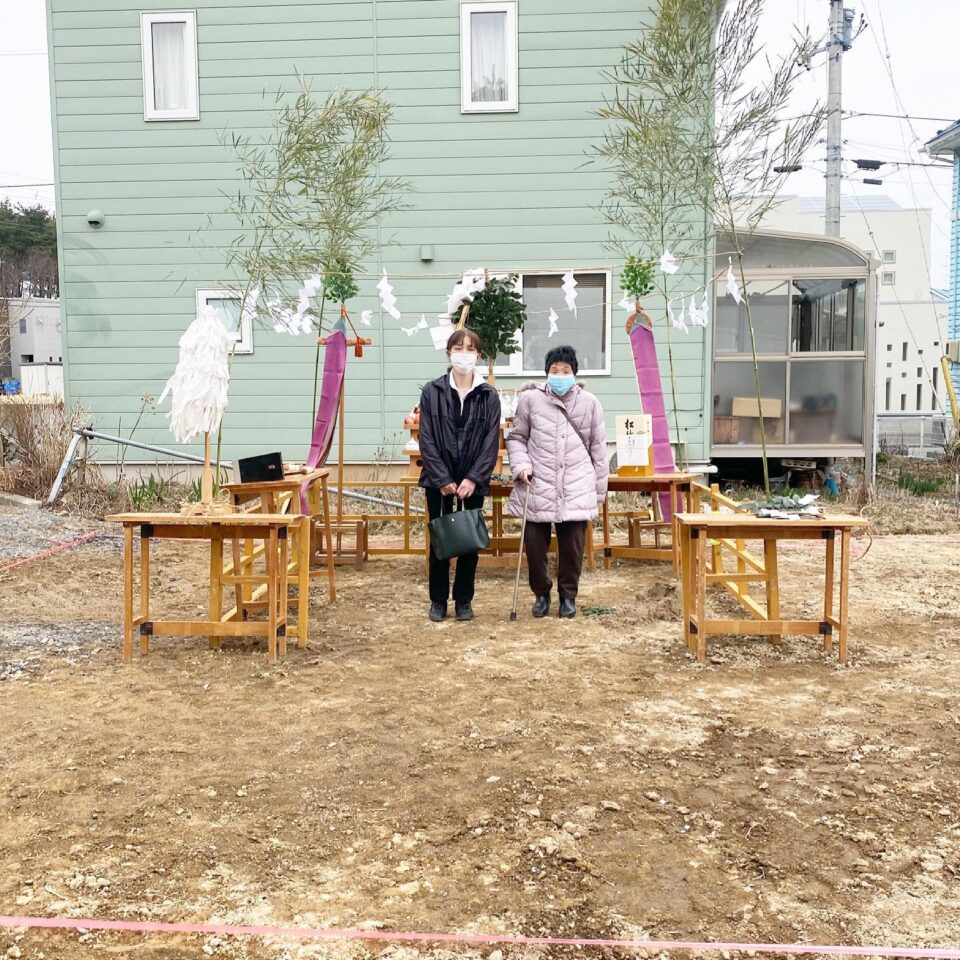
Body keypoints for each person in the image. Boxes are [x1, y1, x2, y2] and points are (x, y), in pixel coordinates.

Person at [506, 345, 608, 619]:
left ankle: (568, 596)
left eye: (565, 370)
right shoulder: (529, 400)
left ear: (574, 373)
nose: (560, 375)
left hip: (576, 481)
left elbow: (598, 449)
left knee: (573, 547)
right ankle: (541, 593)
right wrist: (521, 465)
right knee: (535, 546)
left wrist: (599, 491)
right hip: (538, 482)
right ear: (546, 373)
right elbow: (517, 438)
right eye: (554, 370)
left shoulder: (590, 403)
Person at [418, 328, 502, 622]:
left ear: (479, 355)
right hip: (438, 481)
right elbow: (426, 438)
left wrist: (473, 479)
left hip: (472, 482)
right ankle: (438, 601)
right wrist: (441, 478)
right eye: (458, 348)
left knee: (469, 541)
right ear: (448, 353)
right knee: (439, 541)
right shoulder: (432, 391)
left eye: (470, 349)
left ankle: (464, 600)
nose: (463, 354)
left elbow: (491, 442)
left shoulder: (489, 395)